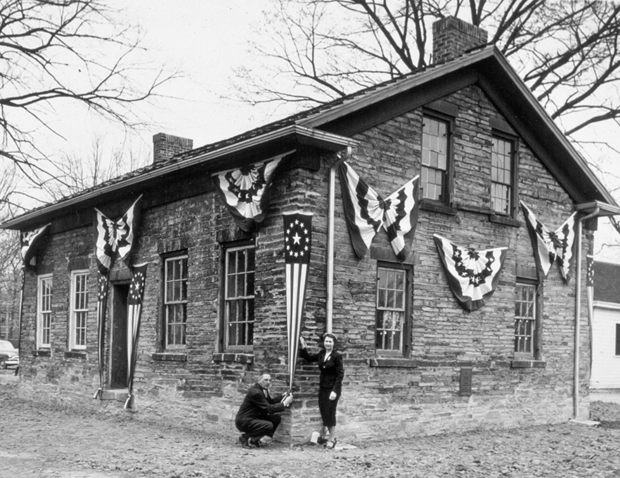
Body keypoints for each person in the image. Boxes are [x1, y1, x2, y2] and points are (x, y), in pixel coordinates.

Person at [299, 333, 344, 449]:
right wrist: (303, 347)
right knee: (324, 411)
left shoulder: (337, 356)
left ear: (333, 343)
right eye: (326, 341)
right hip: (323, 387)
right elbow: (309, 359)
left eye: (330, 342)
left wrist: (335, 391)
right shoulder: (322, 354)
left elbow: (340, 375)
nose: (328, 344)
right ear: (324, 343)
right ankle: (326, 436)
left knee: (330, 411)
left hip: (333, 389)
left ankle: (332, 438)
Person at [235, 371, 293, 448]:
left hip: (253, 417)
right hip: (244, 421)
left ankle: (255, 439)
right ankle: (244, 437)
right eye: (265, 380)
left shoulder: (263, 390)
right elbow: (268, 409)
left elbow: (270, 402)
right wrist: (285, 403)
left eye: (269, 380)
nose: (268, 382)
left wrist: (283, 395)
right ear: (259, 380)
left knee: (276, 418)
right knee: (268, 425)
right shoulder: (256, 392)